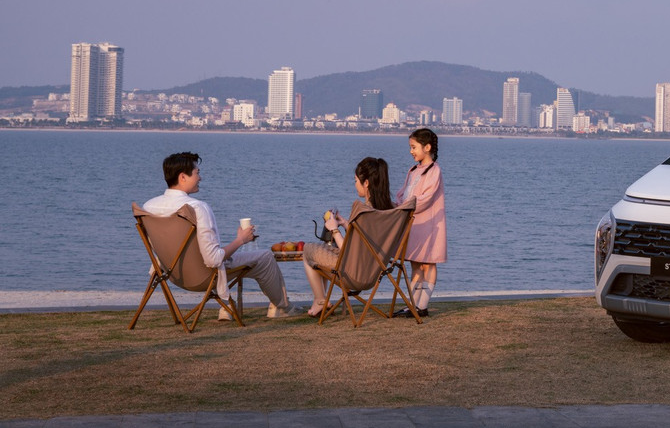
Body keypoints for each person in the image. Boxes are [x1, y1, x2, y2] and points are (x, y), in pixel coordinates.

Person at [143, 152, 299, 320]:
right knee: (265, 258)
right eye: (197, 173)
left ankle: (227, 308)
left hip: (173, 275)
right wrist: (241, 240)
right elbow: (213, 260)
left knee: (226, 256)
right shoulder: (197, 208)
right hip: (203, 277)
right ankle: (283, 307)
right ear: (183, 177)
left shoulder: (149, 207)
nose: (200, 178)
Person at [302, 156, 394, 318]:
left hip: (353, 274)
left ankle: (320, 300)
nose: (355, 184)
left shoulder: (362, 211)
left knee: (308, 250)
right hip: (373, 273)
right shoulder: (388, 211)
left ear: (366, 183)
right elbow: (365, 241)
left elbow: (348, 251)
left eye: (356, 180)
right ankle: (321, 300)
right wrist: (345, 223)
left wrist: (334, 229)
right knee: (321, 250)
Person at [393, 128, 446, 317]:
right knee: (415, 263)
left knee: (428, 263)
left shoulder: (434, 170)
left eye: (414, 147)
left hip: (430, 224)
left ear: (427, 147)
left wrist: (405, 206)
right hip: (413, 223)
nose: (411, 151)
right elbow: (403, 193)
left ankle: (422, 306)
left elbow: (426, 198)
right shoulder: (413, 170)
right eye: (410, 147)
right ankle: (413, 304)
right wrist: (396, 205)